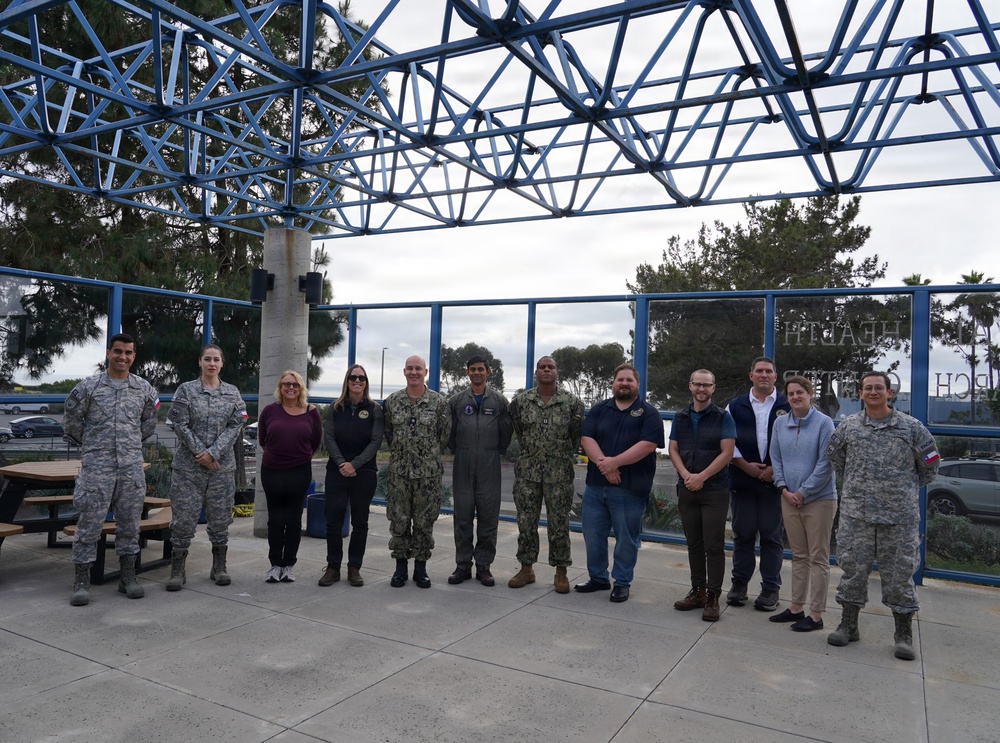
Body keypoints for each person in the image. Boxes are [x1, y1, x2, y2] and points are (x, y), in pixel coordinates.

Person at [826, 371, 939, 660]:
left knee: (900, 576)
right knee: (852, 571)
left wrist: (897, 490)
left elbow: (929, 468)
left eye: (879, 388)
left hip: (898, 519)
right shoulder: (848, 427)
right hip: (857, 516)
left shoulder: (912, 428)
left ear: (890, 393)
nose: (873, 392)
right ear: (860, 394)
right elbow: (836, 461)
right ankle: (848, 625)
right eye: (868, 388)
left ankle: (903, 635)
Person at [64, 333, 159, 606]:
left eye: (128, 353)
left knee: (129, 524)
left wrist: (127, 446)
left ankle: (127, 576)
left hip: (130, 468)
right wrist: (95, 445)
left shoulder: (144, 389)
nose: (123, 357)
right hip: (97, 469)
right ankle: (81, 580)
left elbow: (148, 425)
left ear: (133, 356)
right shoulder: (88, 388)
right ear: (108, 353)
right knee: (89, 525)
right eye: (118, 351)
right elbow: (72, 424)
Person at [575, 363, 664, 603]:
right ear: (613, 383)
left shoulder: (649, 413)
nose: (624, 383)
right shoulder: (599, 409)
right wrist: (606, 466)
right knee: (593, 535)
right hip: (596, 488)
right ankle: (598, 578)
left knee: (627, 538)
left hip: (630, 489)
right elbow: (587, 437)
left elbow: (648, 445)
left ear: (637, 385)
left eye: (629, 380)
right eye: (620, 380)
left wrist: (614, 463)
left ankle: (622, 582)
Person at [165, 344, 248, 591]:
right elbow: (179, 423)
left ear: (222, 363)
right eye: (207, 359)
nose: (212, 364)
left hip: (220, 469)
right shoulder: (186, 390)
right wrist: (200, 452)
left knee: (221, 520)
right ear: (200, 362)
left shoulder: (233, 393)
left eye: (216, 360)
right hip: (188, 470)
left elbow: (237, 425)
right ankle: (177, 570)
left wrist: (213, 453)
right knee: (183, 520)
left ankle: (219, 567)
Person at [508, 356, 584, 593]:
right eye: (543, 367)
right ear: (536, 372)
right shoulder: (521, 401)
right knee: (526, 522)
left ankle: (561, 572)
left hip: (558, 474)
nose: (547, 370)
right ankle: (526, 569)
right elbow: (519, 432)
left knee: (559, 524)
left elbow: (575, 436)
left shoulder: (571, 403)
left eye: (551, 367)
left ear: (557, 372)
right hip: (527, 474)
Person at [767, 376, 836, 632]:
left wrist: (803, 492)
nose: (795, 397)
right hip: (788, 498)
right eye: (791, 393)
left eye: (800, 392)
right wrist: (784, 488)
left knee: (818, 557)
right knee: (798, 556)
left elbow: (826, 464)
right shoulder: (779, 424)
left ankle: (816, 615)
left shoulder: (824, 423)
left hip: (819, 500)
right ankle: (796, 608)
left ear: (810, 394)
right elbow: (775, 458)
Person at [669, 369, 736, 621]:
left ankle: (712, 598)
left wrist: (701, 477)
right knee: (694, 544)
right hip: (686, 488)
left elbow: (727, 453)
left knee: (714, 546)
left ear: (713, 388)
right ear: (690, 386)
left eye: (706, 385)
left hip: (715, 490)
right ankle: (697, 592)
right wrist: (687, 475)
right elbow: (673, 448)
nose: (702, 389)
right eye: (698, 384)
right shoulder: (680, 416)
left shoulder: (723, 417)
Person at [725, 356, 790, 612]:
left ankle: (770, 590)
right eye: (759, 371)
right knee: (743, 536)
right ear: (750, 375)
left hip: (776, 483)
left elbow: (796, 441)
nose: (764, 374)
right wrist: (746, 466)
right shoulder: (735, 405)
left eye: (769, 371)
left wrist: (774, 469)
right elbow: (727, 443)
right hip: (743, 480)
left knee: (772, 538)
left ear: (776, 376)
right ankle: (739, 585)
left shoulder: (788, 404)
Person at [382, 355, 452, 589]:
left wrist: (425, 455)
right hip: (399, 475)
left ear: (426, 372)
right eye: (410, 368)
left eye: (418, 369)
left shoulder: (439, 402)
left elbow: (444, 436)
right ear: (404, 372)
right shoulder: (392, 402)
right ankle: (400, 568)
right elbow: (389, 434)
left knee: (424, 522)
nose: (414, 372)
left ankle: (420, 569)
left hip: (428, 475)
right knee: (399, 520)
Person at [447, 355, 512, 587]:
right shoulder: (456, 401)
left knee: (488, 517)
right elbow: (450, 434)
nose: (477, 373)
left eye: (481, 369)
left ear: (488, 372)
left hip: (489, 461)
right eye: (472, 369)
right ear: (467, 373)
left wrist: (493, 451)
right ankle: (462, 566)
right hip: (462, 461)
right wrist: (461, 450)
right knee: (462, 517)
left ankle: (484, 567)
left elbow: (506, 433)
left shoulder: (499, 401)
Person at [319, 365, 384, 588]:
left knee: (360, 523)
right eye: (353, 377)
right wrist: (341, 464)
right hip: (336, 472)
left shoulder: (375, 409)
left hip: (364, 473)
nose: (357, 380)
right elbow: (329, 438)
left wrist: (354, 464)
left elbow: (376, 442)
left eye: (362, 378)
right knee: (333, 522)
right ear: (347, 381)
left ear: (366, 382)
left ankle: (354, 567)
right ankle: (333, 567)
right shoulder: (335, 408)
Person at [257, 370, 322, 583]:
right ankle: (275, 565)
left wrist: (297, 457)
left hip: (299, 471)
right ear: (280, 387)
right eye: (286, 384)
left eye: (294, 384)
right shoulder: (269, 411)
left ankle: (289, 565)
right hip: (272, 471)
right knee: (276, 519)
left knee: (293, 520)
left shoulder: (311, 412)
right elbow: (263, 440)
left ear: (301, 387)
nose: (290, 387)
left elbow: (315, 442)